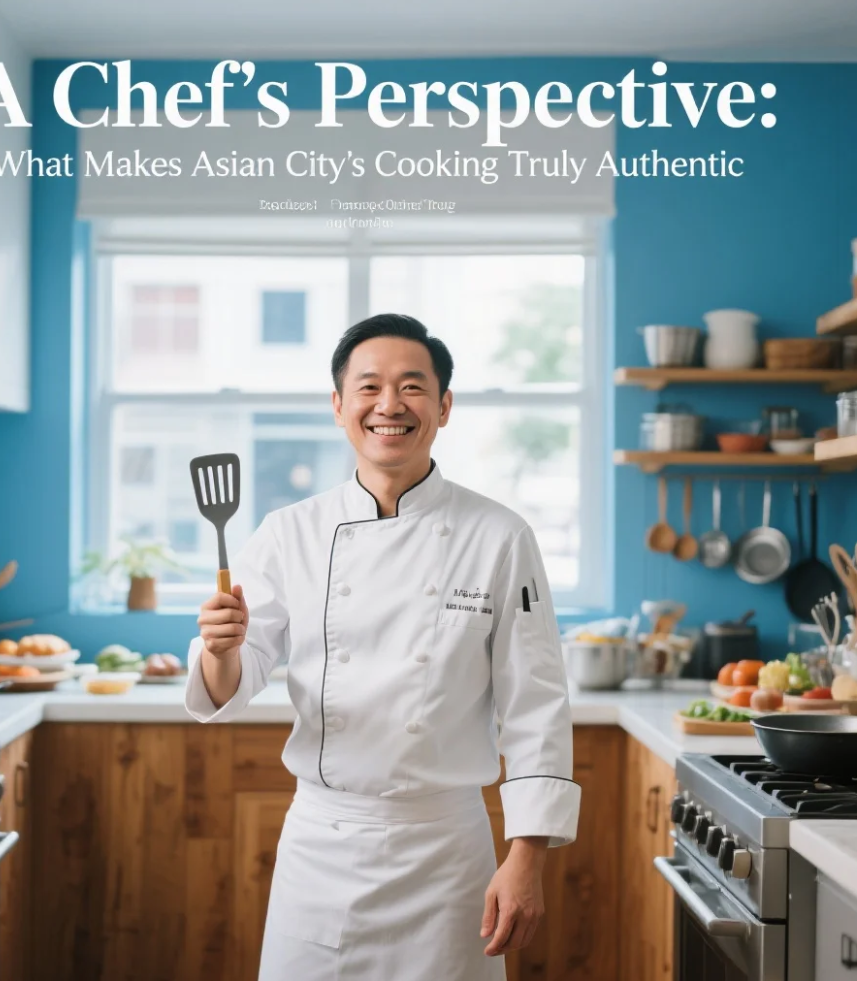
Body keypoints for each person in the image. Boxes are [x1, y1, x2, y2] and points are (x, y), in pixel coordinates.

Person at [185, 313, 580, 981]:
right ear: (339, 406)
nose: (389, 405)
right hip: (321, 845)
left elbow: (536, 705)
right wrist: (220, 648)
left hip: (445, 851)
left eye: (412, 387)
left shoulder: (500, 536)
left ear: (445, 406)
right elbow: (233, 680)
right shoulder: (288, 534)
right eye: (368, 387)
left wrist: (526, 856)